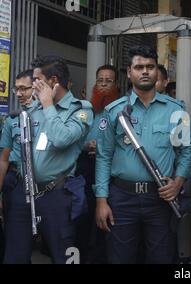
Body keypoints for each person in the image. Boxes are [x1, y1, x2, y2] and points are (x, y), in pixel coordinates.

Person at [95, 46, 191, 264]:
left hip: (159, 198)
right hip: (121, 197)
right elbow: (103, 157)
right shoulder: (114, 111)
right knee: (120, 259)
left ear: (158, 71)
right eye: (139, 67)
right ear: (129, 72)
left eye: (150, 67)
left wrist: (177, 184)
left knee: (161, 258)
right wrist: (101, 200)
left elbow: (186, 152)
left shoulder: (176, 110)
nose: (145, 71)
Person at [1, 56, 93, 264]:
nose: (33, 85)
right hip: (23, 192)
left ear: (52, 81)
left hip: (56, 194)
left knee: (65, 254)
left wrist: (47, 104)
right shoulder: (33, 111)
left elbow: (61, 139)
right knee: (14, 255)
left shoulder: (80, 109)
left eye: (36, 80)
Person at [76, 64, 120, 263]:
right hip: (87, 167)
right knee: (85, 216)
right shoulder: (85, 110)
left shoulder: (121, 109)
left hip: (111, 168)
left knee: (107, 217)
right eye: (100, 80)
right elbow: (74, 138)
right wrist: (86, 145)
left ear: (116, 84)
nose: (103, 85)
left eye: (108, 81)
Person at [0, 69, 35, 264]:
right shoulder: (12, 120)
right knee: (16, 248)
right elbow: (3, 159)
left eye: (24, 89)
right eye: (16, 89)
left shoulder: (52, 117)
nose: (20, 93)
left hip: (47, 187)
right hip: (16, 185)